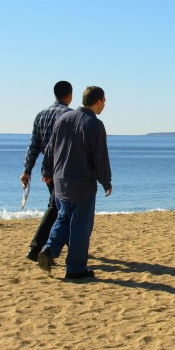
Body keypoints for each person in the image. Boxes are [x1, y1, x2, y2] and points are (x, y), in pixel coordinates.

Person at [38, 86, 112, 280]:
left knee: (63, 218)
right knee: (80, 225)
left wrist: (46, 170)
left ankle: (48, 249)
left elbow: (50, 149)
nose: (105, 105)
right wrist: (106, 181)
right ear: (97, 101)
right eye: (104, 101)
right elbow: (100, 157)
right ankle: (75, 268)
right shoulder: (94, 124)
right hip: (82, 183)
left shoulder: (64, 118)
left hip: (60, 180)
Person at [22, 81, 73, 262]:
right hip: (62, 171)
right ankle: (36, 248)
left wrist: (27, 170)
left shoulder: (41, 115)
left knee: (61, 208)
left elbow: (33, 146)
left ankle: (70, 244)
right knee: (56, 208)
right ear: (69, 95)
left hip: (47, 172)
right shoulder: (69, 115)